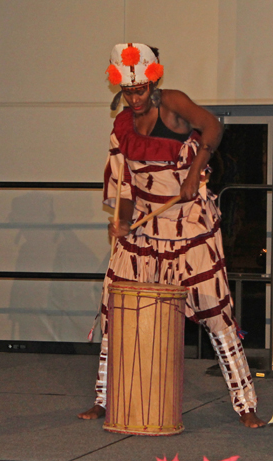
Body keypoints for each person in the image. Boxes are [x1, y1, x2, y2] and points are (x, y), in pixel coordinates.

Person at [78, 43, 265, 428]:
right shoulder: (122, 126)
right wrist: (124, 224)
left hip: (190, 226)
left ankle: (245, 403)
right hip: (146, 228)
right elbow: (125, 186)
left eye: (140, 90)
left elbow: (213, 125)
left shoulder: (174, 102)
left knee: (216, 312)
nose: (134, 98)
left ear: (153, 81)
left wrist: (196, 170)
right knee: (116, 307)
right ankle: (103, 397)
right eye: (128, 92)